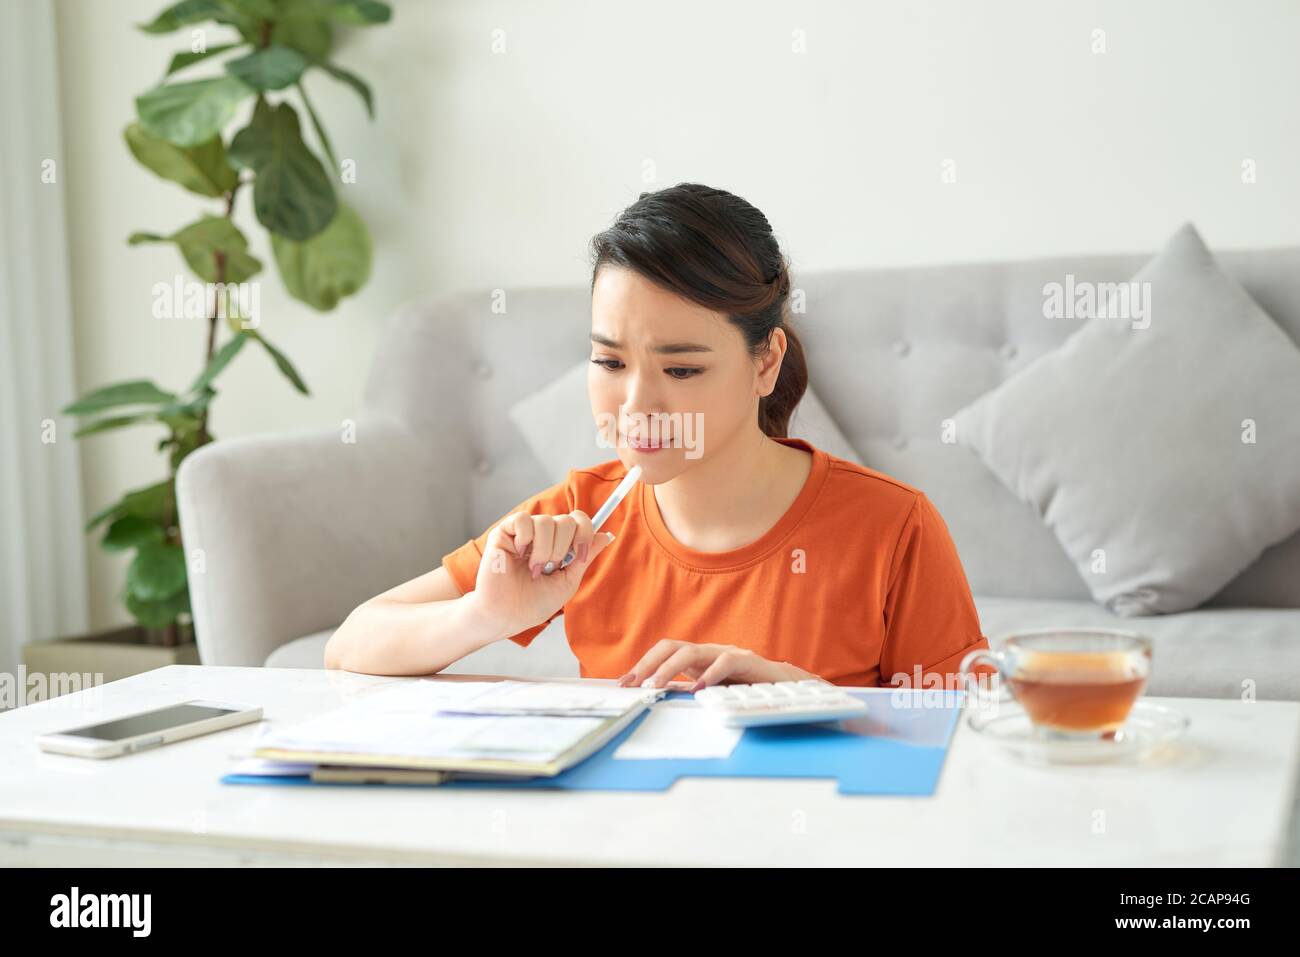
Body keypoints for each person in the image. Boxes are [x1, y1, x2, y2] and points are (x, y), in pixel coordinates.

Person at [325, 183, 991, 690]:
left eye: (681, 367)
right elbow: (350, 644)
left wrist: (799, 696)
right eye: (610, 362)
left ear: (765, 361)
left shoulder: (893, 527)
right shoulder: (577, 521)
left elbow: (969, 744)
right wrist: (484, 616)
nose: (637, 403)